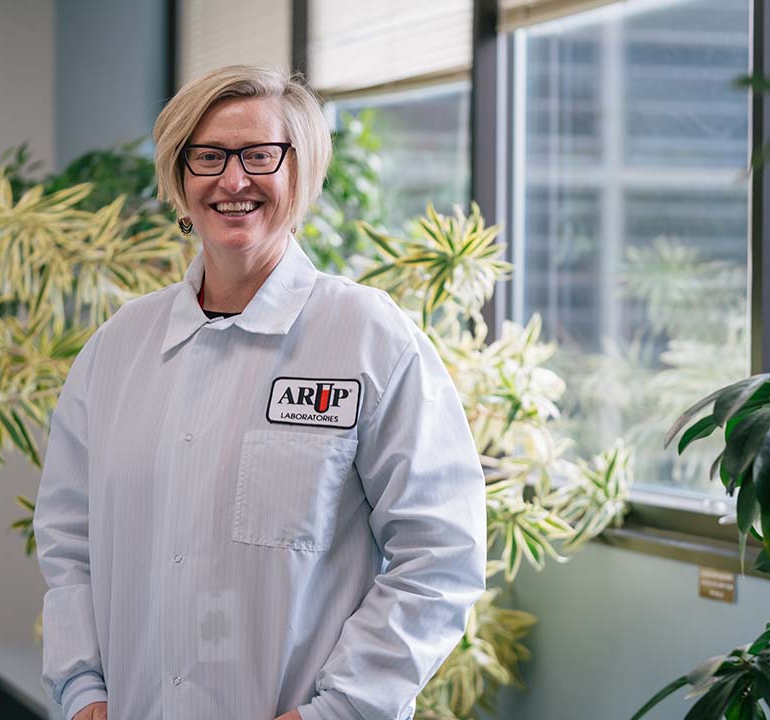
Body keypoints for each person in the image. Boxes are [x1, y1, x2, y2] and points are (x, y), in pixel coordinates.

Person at [32, 65, 487, 720]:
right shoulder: (118, 348)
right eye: (208, 156)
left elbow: (442, 553)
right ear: (179, 177)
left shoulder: (366, 337)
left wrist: (339, 710)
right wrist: (82, 691)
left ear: (298, 175)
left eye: (259, 156)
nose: (233, 180)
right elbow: (68, 543)